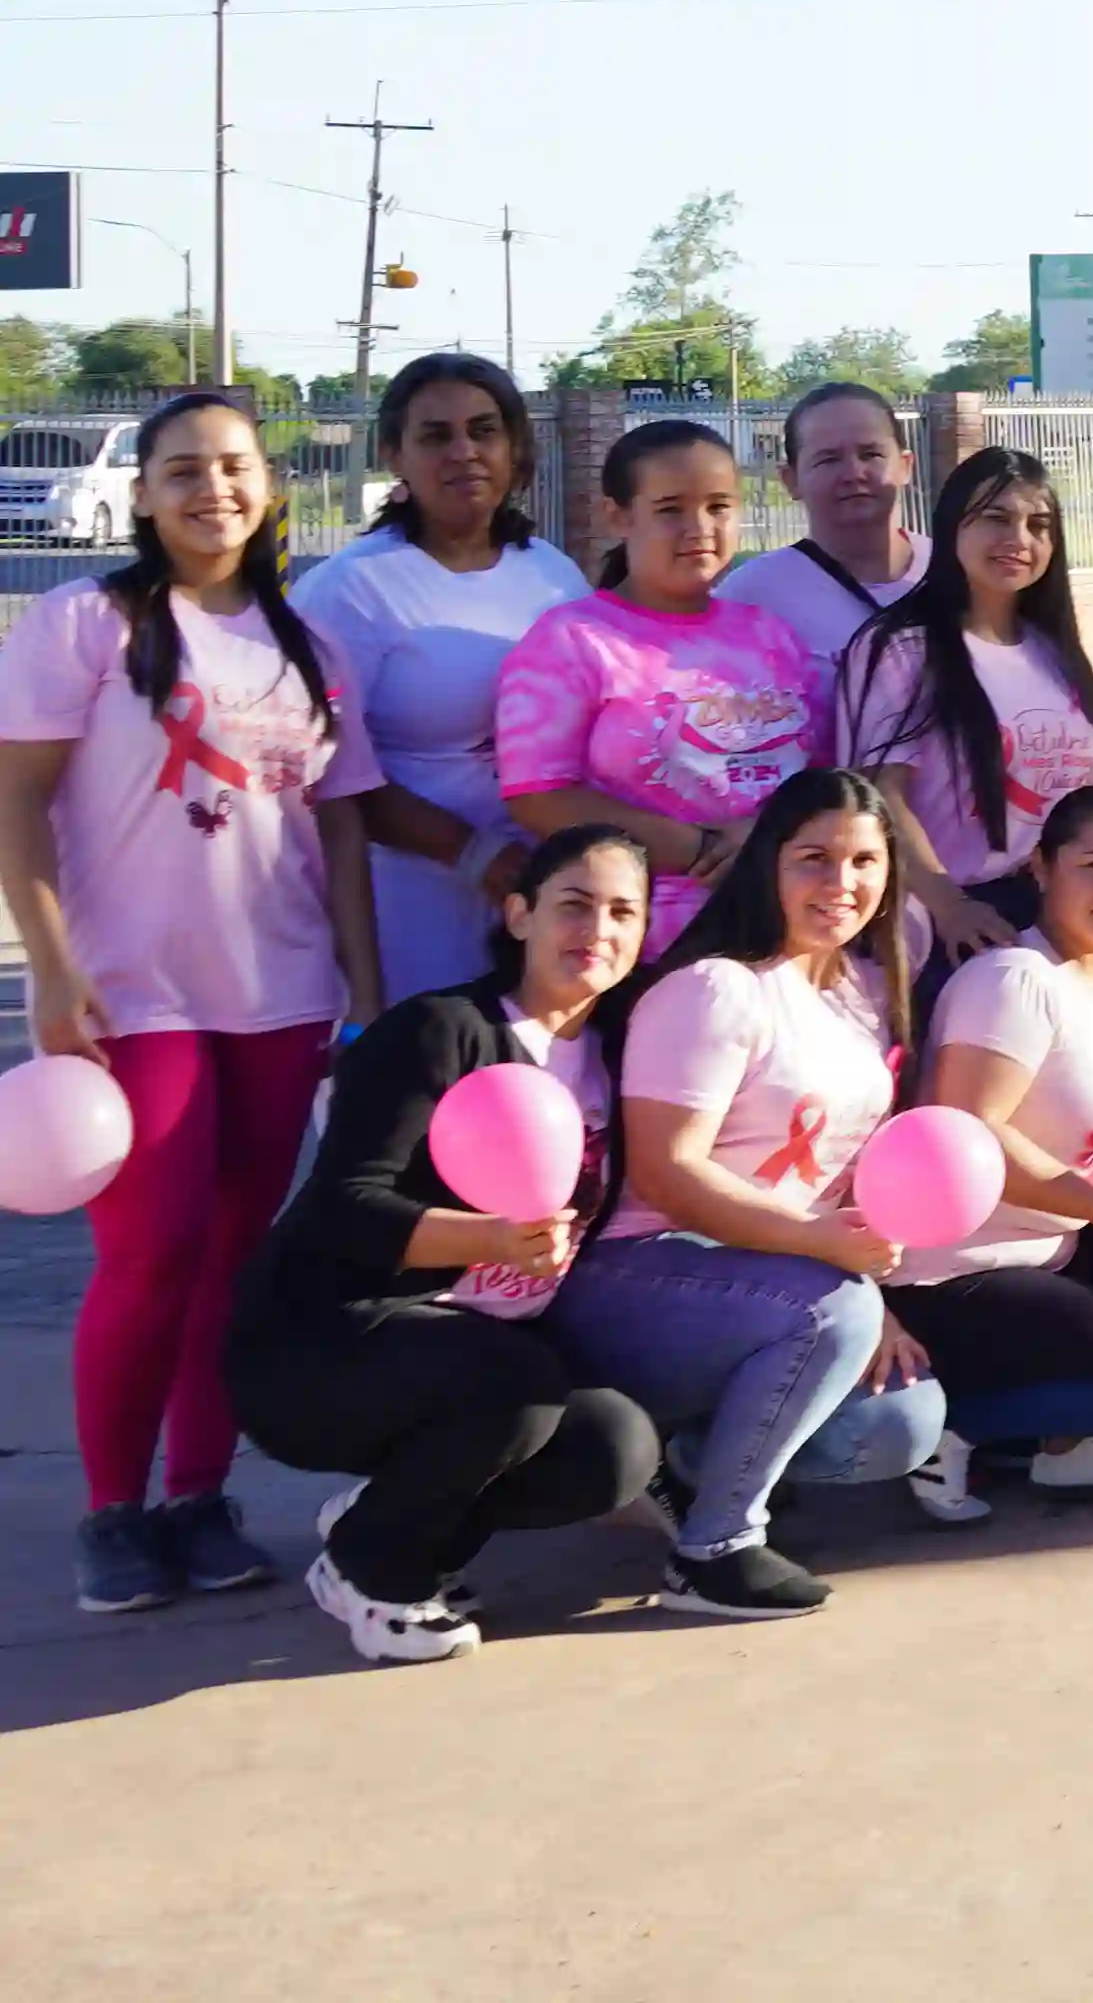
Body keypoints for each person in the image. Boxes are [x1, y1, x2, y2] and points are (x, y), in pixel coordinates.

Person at [3, 388, 383, 1616]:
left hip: (277, 998)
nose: (209, 489)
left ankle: (199, 1498)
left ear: (267, 486)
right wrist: (51, 971)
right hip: (135, 998)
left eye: (231, 467)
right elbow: (17, 808)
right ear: (145, 493)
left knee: (233, 1261)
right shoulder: (87, 625)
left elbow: (340, 836)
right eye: (180, 470)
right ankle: (114, 1512)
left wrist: (363, 997)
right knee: (149, 1253)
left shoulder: (312, 649)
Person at [233, 824, 667, 1659]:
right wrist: (491, 1238)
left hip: (469, 1356)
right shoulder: (440, 1029)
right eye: (573, 905)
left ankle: (388, 1529)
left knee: (611, 1448)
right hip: (319, 1346)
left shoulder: (620, 1058)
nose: (599, 930)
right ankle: (378, 1576)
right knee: (518, 1385)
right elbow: (342, 1207)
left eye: (623, 912)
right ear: (517, 915)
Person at [547, 768, 944, 1616]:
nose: (841, 884)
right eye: (814, 858)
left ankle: (683, 1461)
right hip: (640, 1275)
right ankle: (716, 1547)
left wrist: (867, 1291)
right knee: (830, 1317)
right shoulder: (717, 988)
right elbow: (667, 1172)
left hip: (772, 1278)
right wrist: (829, 1265)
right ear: (768, 862)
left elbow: (839, 1181)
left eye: (864, 861)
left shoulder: (858, 997)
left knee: (900, 1426)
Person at [880, 785, 1093, 1501]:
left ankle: (1074, 1444)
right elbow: (969, 1132)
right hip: (954, 1274)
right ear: (1042, 867)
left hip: (1056, 1251)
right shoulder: (1012, 981)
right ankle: (949, 1426)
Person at [304, 352, 592, 1001]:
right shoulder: (348, 591)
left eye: (484, 431)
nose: (463, 451)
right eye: (435, 436)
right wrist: (475, 855)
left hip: (541, 893)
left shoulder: (553, 574)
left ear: (515, 447)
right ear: (393, 456)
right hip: (404, 901)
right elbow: (330, 778)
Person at [497, 416, 823, 952]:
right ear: (618, 516)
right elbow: (538, 797)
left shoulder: (770, 634)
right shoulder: (572, 639)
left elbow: (818, 776)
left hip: (787, 927)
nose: (699, 528)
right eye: (670, 509)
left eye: (719, 506)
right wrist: (699, 849)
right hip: (637, 944)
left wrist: (764, 836)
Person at [829, 443, 1093, 942]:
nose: (1018, 539)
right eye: (996, 518)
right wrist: (949, 905)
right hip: (946, 920)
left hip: (1059, 908)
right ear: (952, 526)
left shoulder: (1054, 650)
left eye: (1038, 525)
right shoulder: (902, 649)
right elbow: (878, 795)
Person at [725, 382, 923, 683]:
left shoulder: (958, 572)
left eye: (871, 454)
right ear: (790, 479)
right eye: (828, 459)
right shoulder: (748, 597)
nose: (854, 474)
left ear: (906, 465)